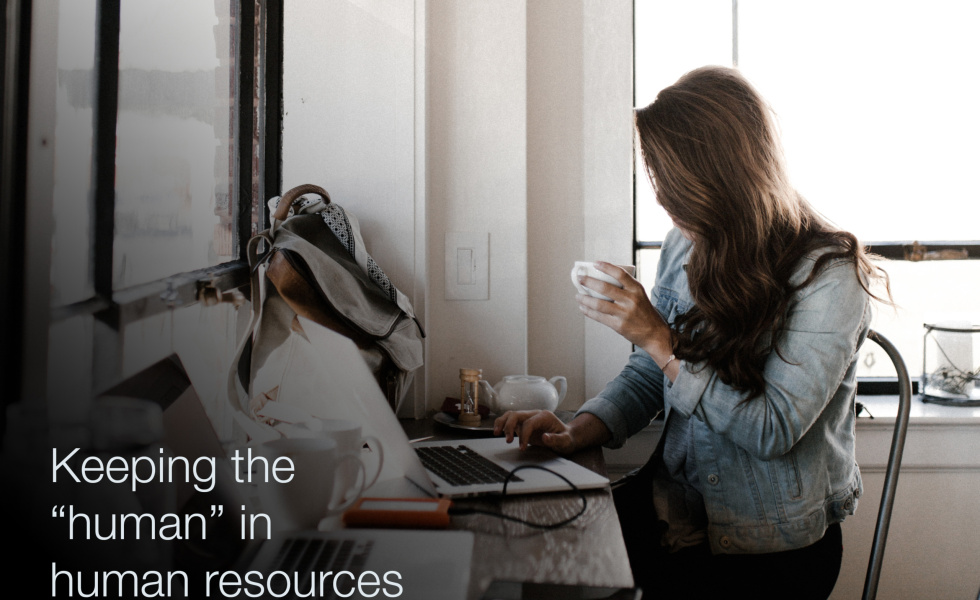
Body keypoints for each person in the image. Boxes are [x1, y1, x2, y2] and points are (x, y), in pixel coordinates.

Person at [494, 66, 889, 599]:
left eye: (671, 184)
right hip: (674, 510)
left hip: (769, 549)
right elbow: (649, 373)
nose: (662, 200)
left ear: (723, 176)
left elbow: (771, 430)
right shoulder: (686, 244)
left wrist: (661, 338)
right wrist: (577, 429)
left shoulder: (831, 277)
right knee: (526, 551)